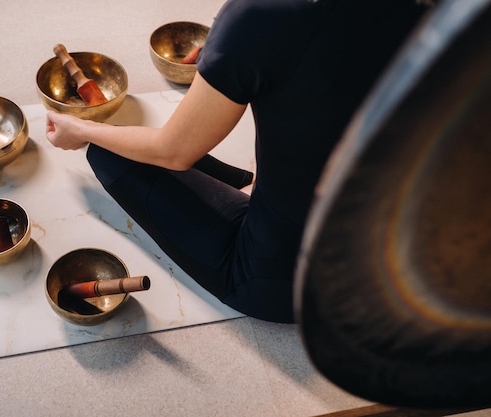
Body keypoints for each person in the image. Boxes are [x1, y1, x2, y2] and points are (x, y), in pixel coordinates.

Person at [45, 0, 432, 323]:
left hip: (291, 283)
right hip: (398, 254)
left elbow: (173, 152)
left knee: (110, 152)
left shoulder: (262, 15)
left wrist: (80, 131)